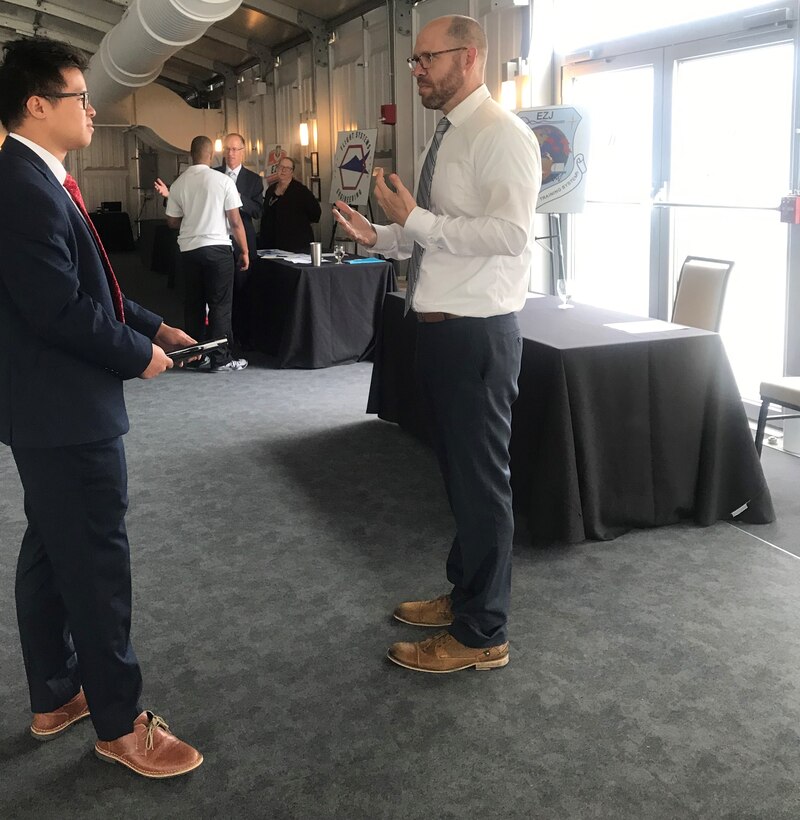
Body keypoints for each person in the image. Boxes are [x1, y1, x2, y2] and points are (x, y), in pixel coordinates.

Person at [0, 36, 203, 776]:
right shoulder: (21, 185)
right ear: (37, 105)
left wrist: (151, 325)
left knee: (52, 554)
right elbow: (58, 309)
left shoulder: (39, 176)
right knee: (95, 563)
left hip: (51, 408)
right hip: (64, 410)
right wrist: (132, 353)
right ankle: (121, 723)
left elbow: (90, 286)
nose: (93, 107)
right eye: (80, 96)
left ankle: (57, 695)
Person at [333, 15, 541, 673]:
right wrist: (384, 238)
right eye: (415, 59)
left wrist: (414, 220)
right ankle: (465, 595)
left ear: (470, 56)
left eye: (428, 58)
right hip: (443, 332)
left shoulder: (501, 136)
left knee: (481, 484)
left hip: (477, 334)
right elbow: (441, 233)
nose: (416, 68)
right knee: (459, 478)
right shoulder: (449, 134)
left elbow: (510, 234)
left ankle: (483, 635)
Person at [162, 135, 249, 372]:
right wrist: (245, 251)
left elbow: (171, 221)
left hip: (189, 251)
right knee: (220, 305)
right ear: (212, 155)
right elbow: (235, 221)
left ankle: (195, 358)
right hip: (218, 250)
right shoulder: (222, 181)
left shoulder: (179, 183)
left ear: (192, 155)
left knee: (194, 304)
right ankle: (221, 359)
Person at [215, 133, 263, 350]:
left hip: (244, 243)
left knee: (244, 292)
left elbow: (257, 211)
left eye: (235, 150)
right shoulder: (213, 175)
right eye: (228, 149)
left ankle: (243, 338)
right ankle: (222, 338)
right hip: (218, 240)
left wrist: (236, 196)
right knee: (220, 294)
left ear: (243, 152)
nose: (231, 154)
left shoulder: (253, 180)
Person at [258, 156, 321, 252]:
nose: (283, 170)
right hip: (271, 243)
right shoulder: (270, 190)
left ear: (292, 171)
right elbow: (265, 214)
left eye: (287, 168)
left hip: (295, 243)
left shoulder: (301, 191)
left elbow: (315, 214)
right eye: (281, 167)